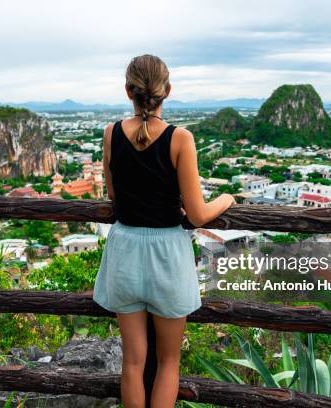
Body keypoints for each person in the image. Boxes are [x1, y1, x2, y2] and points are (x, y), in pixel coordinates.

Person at [92, 54, 235, 408]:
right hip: (167, 253)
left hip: (125, 248)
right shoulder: (179, 139)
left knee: (133, 363)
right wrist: (227, 199)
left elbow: (112, 194)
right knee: (169, 363)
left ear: (128, 91)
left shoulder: (111, 133)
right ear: (167, 91)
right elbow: (199, 214)